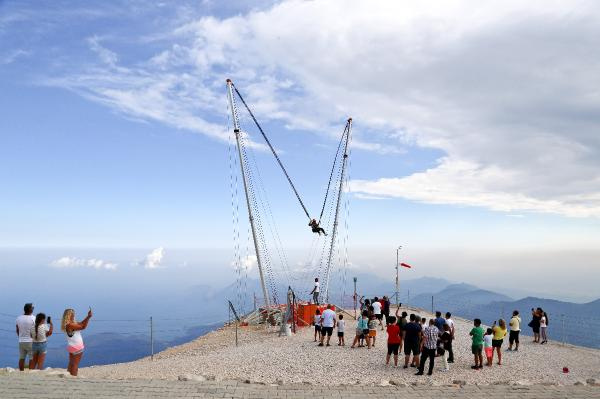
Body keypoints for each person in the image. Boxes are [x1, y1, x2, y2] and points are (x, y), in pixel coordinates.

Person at [62, 307, 92, 376]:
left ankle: (68, 376)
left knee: (71, 363)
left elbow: (81, 323)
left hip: (71, 346)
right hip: (77, 347)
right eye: (72, 314)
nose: (73, 316)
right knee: (75, 364)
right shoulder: (70, 325)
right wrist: (88, 317)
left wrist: (88, 317)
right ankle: (74, 378)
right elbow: (83, 327)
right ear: (69, 316)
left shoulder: (69, 324)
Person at [15, 303, 35, 371]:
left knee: (21, 358)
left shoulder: (18, 318)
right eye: (33, 308)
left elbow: (17, 330)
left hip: (21, 341)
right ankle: (30, 372)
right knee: (31, 358)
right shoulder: (33, 318)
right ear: (30, 309)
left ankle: (21, 372)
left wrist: (20, 336)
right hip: (30, 341)